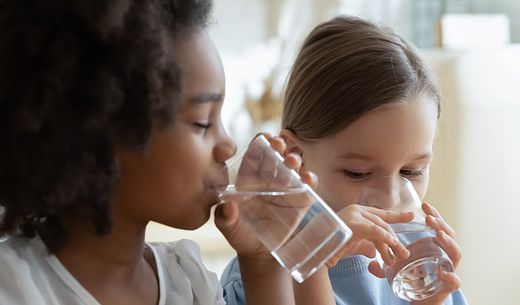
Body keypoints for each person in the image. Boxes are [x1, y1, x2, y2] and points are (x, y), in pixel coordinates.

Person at [0, 1, 413, 305]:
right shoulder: (15, 285)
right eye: (202, 122)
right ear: (100, 133)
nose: (228, 145)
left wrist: (262, 261)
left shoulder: (188, 281)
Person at [221, 16, 468, 305]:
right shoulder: (261, 274)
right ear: (293, 159)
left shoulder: (416, 275)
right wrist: (315, 259)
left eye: (411, 171)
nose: (389, 199)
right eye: (357, 173)